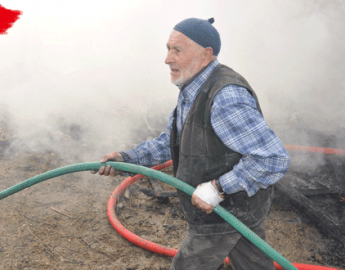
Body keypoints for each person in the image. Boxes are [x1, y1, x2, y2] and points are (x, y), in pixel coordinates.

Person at [93, 17, 290, 270]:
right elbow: (174, 141)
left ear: (206, 54)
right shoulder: (193, 87)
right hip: (241, 211)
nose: (167, 59)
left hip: (223, 214)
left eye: (178, 50)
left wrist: (217, 188)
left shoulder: (225, 96)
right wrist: (128, 160)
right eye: (167, 49)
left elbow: (273, 159)